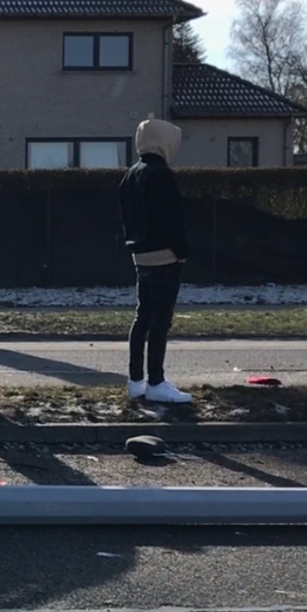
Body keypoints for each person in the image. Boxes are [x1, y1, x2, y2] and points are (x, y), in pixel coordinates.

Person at [120, 118, 192, 404]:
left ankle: (136, 379)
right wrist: (181, 251)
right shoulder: (161, 174)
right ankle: (157, 381)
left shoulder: (131, 174)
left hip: (140, 253)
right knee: (161, 320)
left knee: (143, 318)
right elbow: (172, 218)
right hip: (165, 255)